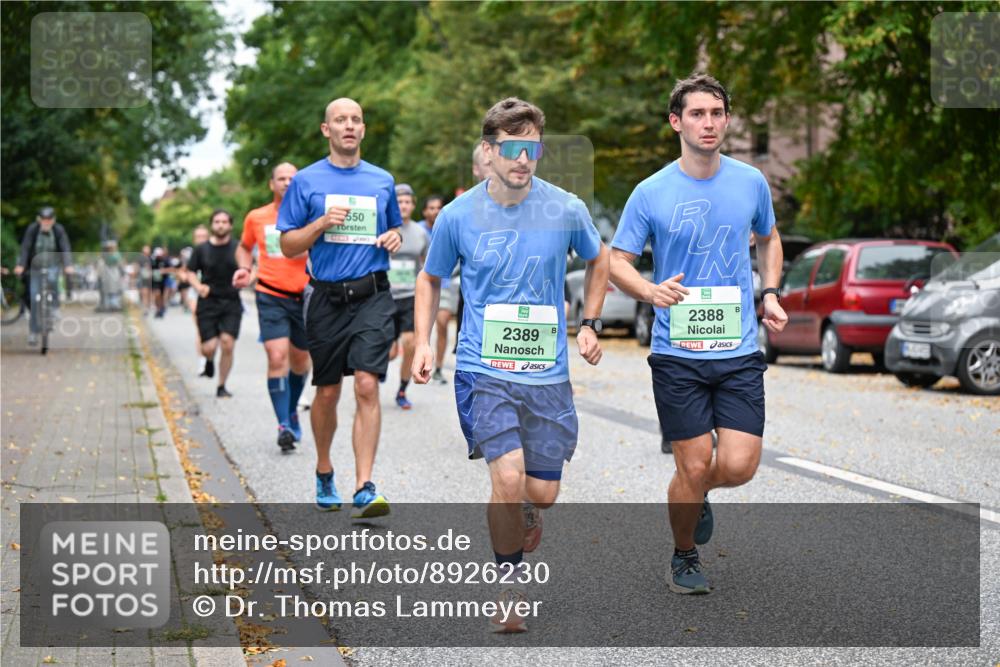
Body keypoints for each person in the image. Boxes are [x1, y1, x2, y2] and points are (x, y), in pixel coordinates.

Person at [412, 97, 609, 632]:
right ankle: (509, 587)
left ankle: (523, 509)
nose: (523, 159)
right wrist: (425, 342)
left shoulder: (566, 208)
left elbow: (600, 259)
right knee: (508, 475)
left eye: (533, 148)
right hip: (484, 368)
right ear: (487, 152)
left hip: (547, 374)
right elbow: (430, 278)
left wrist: (589, 323)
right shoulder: (457, 216)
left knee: (540, 492)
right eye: (512, 148)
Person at [609, 73, 788, 595]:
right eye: (696, 114)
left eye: (716, 113)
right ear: (676, 122)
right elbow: (617, 261)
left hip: (736, 348)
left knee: (737, 465)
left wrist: (770, 292)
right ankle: (684, 555)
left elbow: (769, 237)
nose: (707, 123)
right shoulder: (651, 191)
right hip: (676, 352)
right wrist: (649, 291)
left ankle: (696, 491)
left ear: (726, 120)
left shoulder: (750, 181)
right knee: (692, 462)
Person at [277, 97, 403, 517]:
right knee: (328, 391)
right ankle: (324, 468)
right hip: (326, 297)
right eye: (339, 120)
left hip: (372, 294)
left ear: (363, 130)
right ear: (325, 129)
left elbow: (392, 231)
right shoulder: (307, 182)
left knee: (367, 383)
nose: (348, 126)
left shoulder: (382, 181)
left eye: (355, 120)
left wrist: (393, 238)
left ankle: (364, 485)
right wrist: (319, 224)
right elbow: (288, 244)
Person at [233, 162, 312, 453]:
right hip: (270, 293)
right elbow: (243, 246)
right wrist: (245, 267)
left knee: (301, 361)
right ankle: (283, 425)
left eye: (292, 178)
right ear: (272, 184)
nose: (287, 183)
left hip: (305, 296)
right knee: (277, 357)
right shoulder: (257, 217)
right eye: (281, 178)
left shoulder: (309, 214)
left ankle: (291, 410)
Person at [185, 210, 243, 398]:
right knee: (208, 347)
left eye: (224, 222)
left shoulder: (239, 248)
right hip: (208, 301)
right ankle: (209, 360)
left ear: (230, 225)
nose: (220, 225)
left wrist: (247, 279)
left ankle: (221, 385)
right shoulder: (201, 249)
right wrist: (198, 286)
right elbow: (190, 272)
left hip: (231, 301)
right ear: (212, 225)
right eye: (217, 221)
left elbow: (253, 268)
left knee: (227, 344)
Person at [387, 184, 430, 409]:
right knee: (390, 352)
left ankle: (402, 390)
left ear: (413, 205)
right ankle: (378, 369)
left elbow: (427, 264)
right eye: (399, 202)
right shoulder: (384, 228)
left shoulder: (421, 233)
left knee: (410, 344)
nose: (403, 206)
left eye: (407, 202)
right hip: (385, 295)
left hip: (410, 296)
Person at [15, 206, 73, 346]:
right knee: (35, 298)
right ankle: (33, 332)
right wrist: (21, 265)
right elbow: (26, 247)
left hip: (52, 264)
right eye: (43, 220)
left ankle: (54, 307)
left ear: (53, 220)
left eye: (49, 220)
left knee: (53, 279)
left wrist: (68, 265)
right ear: (39, 220)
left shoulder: (58, 230)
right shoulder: (32, 229)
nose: (46, 223)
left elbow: (65, 247)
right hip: (35, 267)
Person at [416, 195, 453, 383]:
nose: (435, 211)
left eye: (438, 207)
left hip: (445, 284)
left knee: (443, 322)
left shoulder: (449, 225)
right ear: (424, 211)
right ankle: (423, 351)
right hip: (424, 284)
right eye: (431, 208)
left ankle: (438, 366)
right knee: (425, 326)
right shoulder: (419, 230)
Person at [181, 226, 211, 374]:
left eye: (204, 236)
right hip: (195, 294)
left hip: (214, 294)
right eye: (198, 237)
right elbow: (183, 271)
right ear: (194, 239)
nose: (201, 239)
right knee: (200, 328)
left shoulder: (214, 251)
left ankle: (209, 357)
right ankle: (202, 362)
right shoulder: (189, 254)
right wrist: (185, 277)